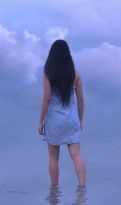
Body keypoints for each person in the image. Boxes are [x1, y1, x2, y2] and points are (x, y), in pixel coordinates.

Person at [38, 39, 86, 186]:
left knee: (53, 157)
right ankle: (82, 191)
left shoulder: (49, 74)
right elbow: (81, 99)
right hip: (71, 119)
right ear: (68, 55)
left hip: (54, 120)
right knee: (76, 155)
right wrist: (80, 119)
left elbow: (46, 99)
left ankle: (54, 192)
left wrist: (40, 121)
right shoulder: (75, 74)